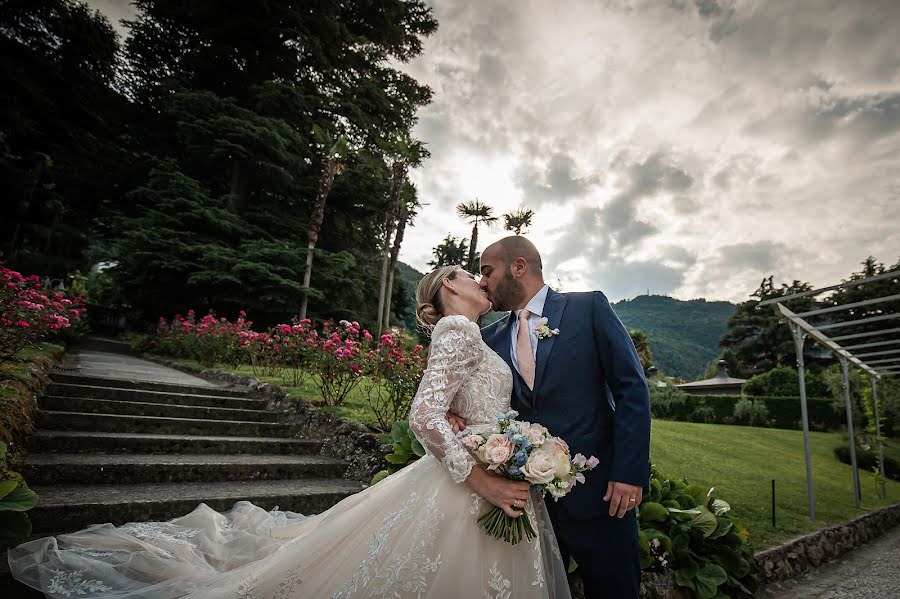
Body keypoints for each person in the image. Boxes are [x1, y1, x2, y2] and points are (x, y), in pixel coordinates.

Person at [9, 264, 572, 599]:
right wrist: (482, 477)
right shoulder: (457, 328)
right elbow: (422, 416)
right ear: (449, 288)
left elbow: (450, 408)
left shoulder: (474, 334)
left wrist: (500, 445)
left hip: (488, 467)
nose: (480, 278)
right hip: (471, 483)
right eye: (468, 273)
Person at [449, 236, 651, 599]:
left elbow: (631, 389)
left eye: (487, 271)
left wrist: (629, 474)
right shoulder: (488, 338)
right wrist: (452, 411)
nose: (482, 282)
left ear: (519, 267)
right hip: (529, 504)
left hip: (603, 495)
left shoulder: (588, 308)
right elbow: (474, 394)